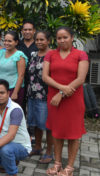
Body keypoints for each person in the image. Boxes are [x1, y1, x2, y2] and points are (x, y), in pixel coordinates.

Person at [42, 27, 89, 176]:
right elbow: (45, 77)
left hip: (73, 100)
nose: (62, 40)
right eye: (59, 38)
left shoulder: (81, 55)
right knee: (57, 132)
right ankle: (57, 163)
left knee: (73, 133)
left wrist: (61, 93)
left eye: (65, 37)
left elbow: (80, 79)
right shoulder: (50, 54)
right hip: (54, 100)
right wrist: (61, 88)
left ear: (72, 37)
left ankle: (69, 167)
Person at [27, 31, 53, 164]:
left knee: (48, 125)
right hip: (32, 94)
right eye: (37, 40)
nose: (39, 42)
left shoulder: (53, 55)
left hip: (46, 95)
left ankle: (49, 152)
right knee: (35, 123)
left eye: (42, 39)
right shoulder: (33, 55)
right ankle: (37, 147)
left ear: (48, 40)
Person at [0, 31, 28, 106]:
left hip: (14, 89)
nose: (6, 43)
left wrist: (15, 92)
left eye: (9, 41)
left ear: (16, 42)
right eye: (5, 40)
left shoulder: (19, 55)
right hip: (1, 89)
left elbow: (21, 75)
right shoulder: (0, 53)